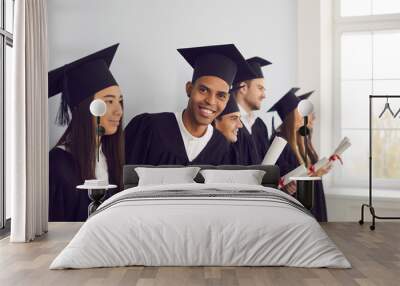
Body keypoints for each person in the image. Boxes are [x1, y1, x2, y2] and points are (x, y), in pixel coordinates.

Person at [125, 44, 255, 165]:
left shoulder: (223, 148)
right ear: (189, 89)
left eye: (221, 96)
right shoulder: (149, 128)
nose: (210, 101)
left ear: (227, 100)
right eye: (203, 90)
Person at [48, 44, 124, 222]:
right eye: (108, 101)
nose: (119, 111)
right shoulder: (58, 165)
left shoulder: (110, 157)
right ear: (84, 108)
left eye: (119, 101)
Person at [296, 90, 330, 222]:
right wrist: (315, 173)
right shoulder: (287, 144)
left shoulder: (305, 139)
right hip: (303, 198)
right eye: (311, 114)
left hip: (314, 193)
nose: (313, 118)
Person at [232, 56, 272, 164]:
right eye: (260, 88)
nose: (264, 95)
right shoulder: (228, 124)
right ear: (243, 88)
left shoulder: (259, 126)